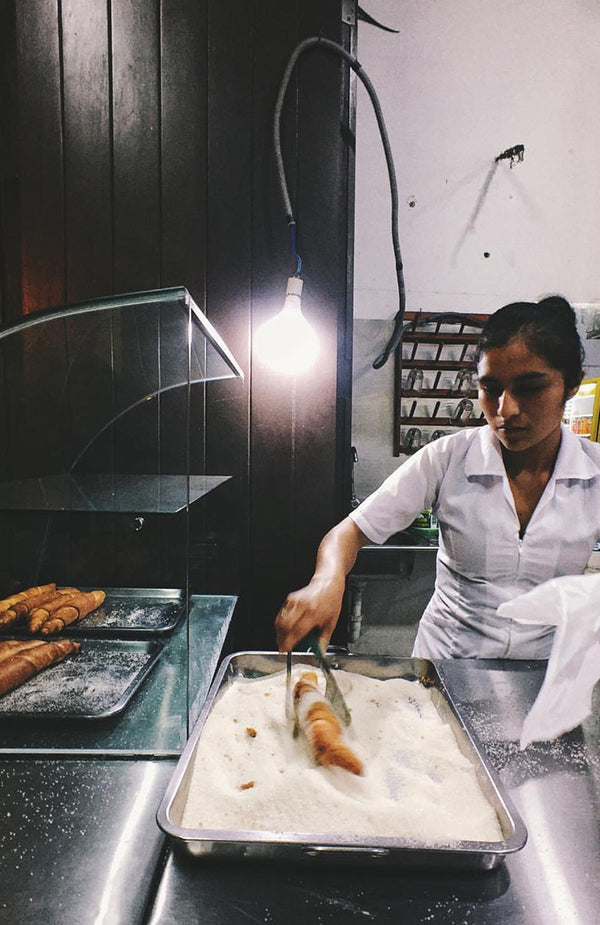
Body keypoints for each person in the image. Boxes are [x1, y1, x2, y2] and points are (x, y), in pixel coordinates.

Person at [275, 296, 600, 659]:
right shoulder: (448, 458)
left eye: (530, 387)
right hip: (447, 668)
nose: (505, 409)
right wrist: (327, 581)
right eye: (490, 389)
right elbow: (349, 533)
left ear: (571, 385)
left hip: (541, 676)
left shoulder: (595, 474)